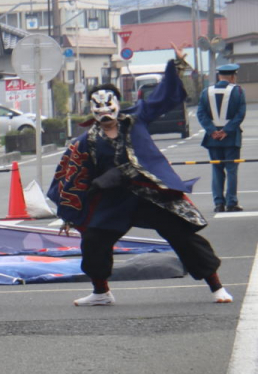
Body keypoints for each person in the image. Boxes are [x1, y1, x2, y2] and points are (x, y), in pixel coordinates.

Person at [48, 49, 232, 306]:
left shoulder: (137, 120)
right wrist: (72, 211)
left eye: (108, 103)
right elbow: (75, 177)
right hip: (114, 200)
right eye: (97, 106)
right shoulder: (86, 141)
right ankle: (101, 293)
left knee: (183, 235)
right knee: (93, 240)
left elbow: (163, 97)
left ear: (118, 103)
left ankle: (216, 286)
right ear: (90, 109)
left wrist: (176, 66)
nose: (104, 110)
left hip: (151, 194)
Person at [196, 61, 247, 213]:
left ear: (219, 76)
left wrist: (212, 131)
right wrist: (227, 131)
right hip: (231, 138)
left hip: (213, 139)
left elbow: (201, 113)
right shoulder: (238, 91)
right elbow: (240, 114)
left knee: (217, 170)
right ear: (232, 77)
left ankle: (218, 203)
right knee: (231, 169)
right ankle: (232, 202)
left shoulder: (206, 91)